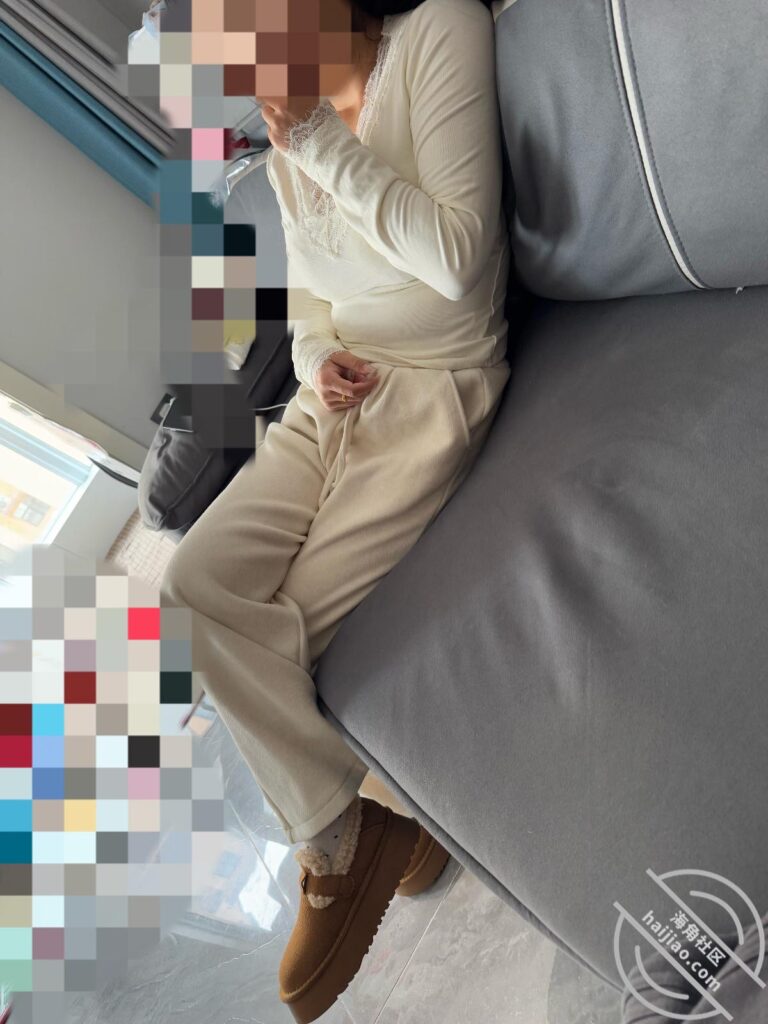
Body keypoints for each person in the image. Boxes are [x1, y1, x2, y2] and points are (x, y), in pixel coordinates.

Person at [159, 0, 508, 1018]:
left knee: (287, 631)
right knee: (190, 587)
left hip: (435, 384)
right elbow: (311, 308)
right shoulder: (288, 138)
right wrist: (317, 361)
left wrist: (317, 139)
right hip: (333, 402)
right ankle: (363, 831)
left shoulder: (438, 34)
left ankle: (354, 839)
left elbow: (458, 261)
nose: (248, 62)